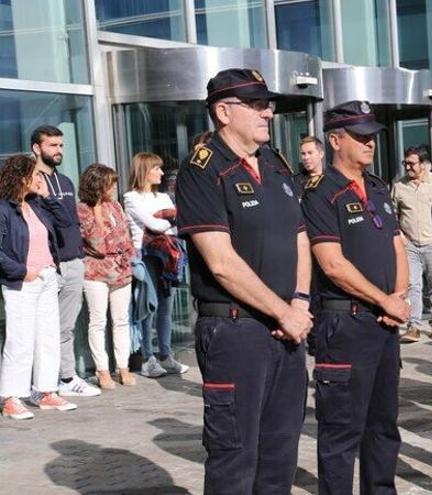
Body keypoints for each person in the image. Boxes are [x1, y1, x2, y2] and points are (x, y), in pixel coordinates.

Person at [175, 68, 312, 493]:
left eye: (266, 105)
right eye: (255, 105)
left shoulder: (275, 163)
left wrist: (302, 301)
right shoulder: (202, 169)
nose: (267, 113)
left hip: (287, 327)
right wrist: (283, 310)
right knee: (234, 458)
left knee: (280, 453)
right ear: (223, 111)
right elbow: (220, 262)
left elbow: (300, 236)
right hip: (235, 331)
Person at [301, 100, 410, 495]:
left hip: (384, 322)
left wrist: (398, 297)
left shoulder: (378, 187)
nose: (370, 144)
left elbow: (398, 245)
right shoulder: (319, 192)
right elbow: (331, 265)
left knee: (384, 425)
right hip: (345, 324)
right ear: (335, 140)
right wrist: (385, 301)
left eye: (372, 137)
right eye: (360, 137)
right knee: (342, 431)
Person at [0, 155, 78, 420]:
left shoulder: (37, 205)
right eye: (35, 175)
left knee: (48, 336)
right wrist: (23, 271)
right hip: (22, 280)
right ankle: (11, 397)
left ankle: (46, 391)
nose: (39, 179)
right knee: (20, 339)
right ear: (21, 178)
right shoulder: (3, 209)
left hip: (46, 277)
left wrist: (48, 197)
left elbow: (67, 223)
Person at [31, 126, 100, 398]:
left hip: (73, 261)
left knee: (65, 326)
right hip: (46, 264)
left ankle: (66, 378)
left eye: (61, 145)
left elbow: (70, 222)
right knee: (38, 327)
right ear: (37, 148)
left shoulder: (67, 182)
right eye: (52, 146)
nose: (58, 150)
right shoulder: (30, 182)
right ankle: (39, 383)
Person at [124, 152, 189, 378]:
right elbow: (154, 223)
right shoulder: (131, 197)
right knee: (148, 305)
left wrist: (164, 221)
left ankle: (165, 354)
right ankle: (147, 357)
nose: (161, 173)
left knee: (166, 306)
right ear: (145, 170)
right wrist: (165, 220)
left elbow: (174, 225)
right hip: (145, 256)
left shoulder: (162, 197)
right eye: (157, 168)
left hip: (167, 255)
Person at [78, 164, 137, 390]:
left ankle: (123, 367)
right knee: (98, 320)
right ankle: (102, 370)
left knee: (121, 319)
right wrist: (97, 212)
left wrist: (128, 258)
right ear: (97, 185)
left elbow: (125, 236)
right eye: (109, 184)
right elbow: (97, 243)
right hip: (96, 270)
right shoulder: (83, 209)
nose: (113, 188)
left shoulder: (116, 206)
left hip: (121, 269)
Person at [392, 144, 432, 342]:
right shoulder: (399, 186)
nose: (408, 167)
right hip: (410, 245)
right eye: (405, 163)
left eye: (412, 163)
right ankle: (413, 326)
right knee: (412, 285)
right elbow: (392, 215)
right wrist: (401, 236)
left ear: (424, 164)